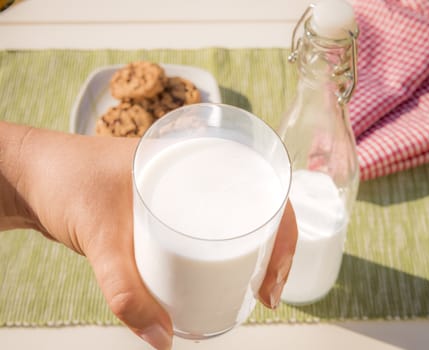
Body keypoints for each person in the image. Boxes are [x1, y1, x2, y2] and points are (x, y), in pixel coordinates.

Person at [0, 121, 298, 350]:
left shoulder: (259, 187)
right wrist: (27, 164)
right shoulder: (152, 182)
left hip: (225, 310)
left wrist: (26, 160)